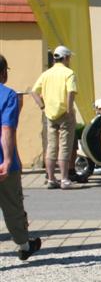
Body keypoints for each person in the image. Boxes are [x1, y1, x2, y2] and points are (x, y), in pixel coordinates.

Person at [0, 55, 42, 261]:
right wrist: (7, 160)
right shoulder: (8, 95)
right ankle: (24, 245)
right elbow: (6, 128)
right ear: (4, 73)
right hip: (3, 163)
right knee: (12, 205)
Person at [30, 45, 78, 189]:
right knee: (64, 146)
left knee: (51, 146)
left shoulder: (46, 74)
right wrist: (69, 109)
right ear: (66, 58)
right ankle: (64, 179)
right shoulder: (69, 73)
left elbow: (34, 91)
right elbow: (71, 92)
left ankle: (51, 179)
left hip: (50, 114)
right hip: (64, 113)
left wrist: (43, 106)